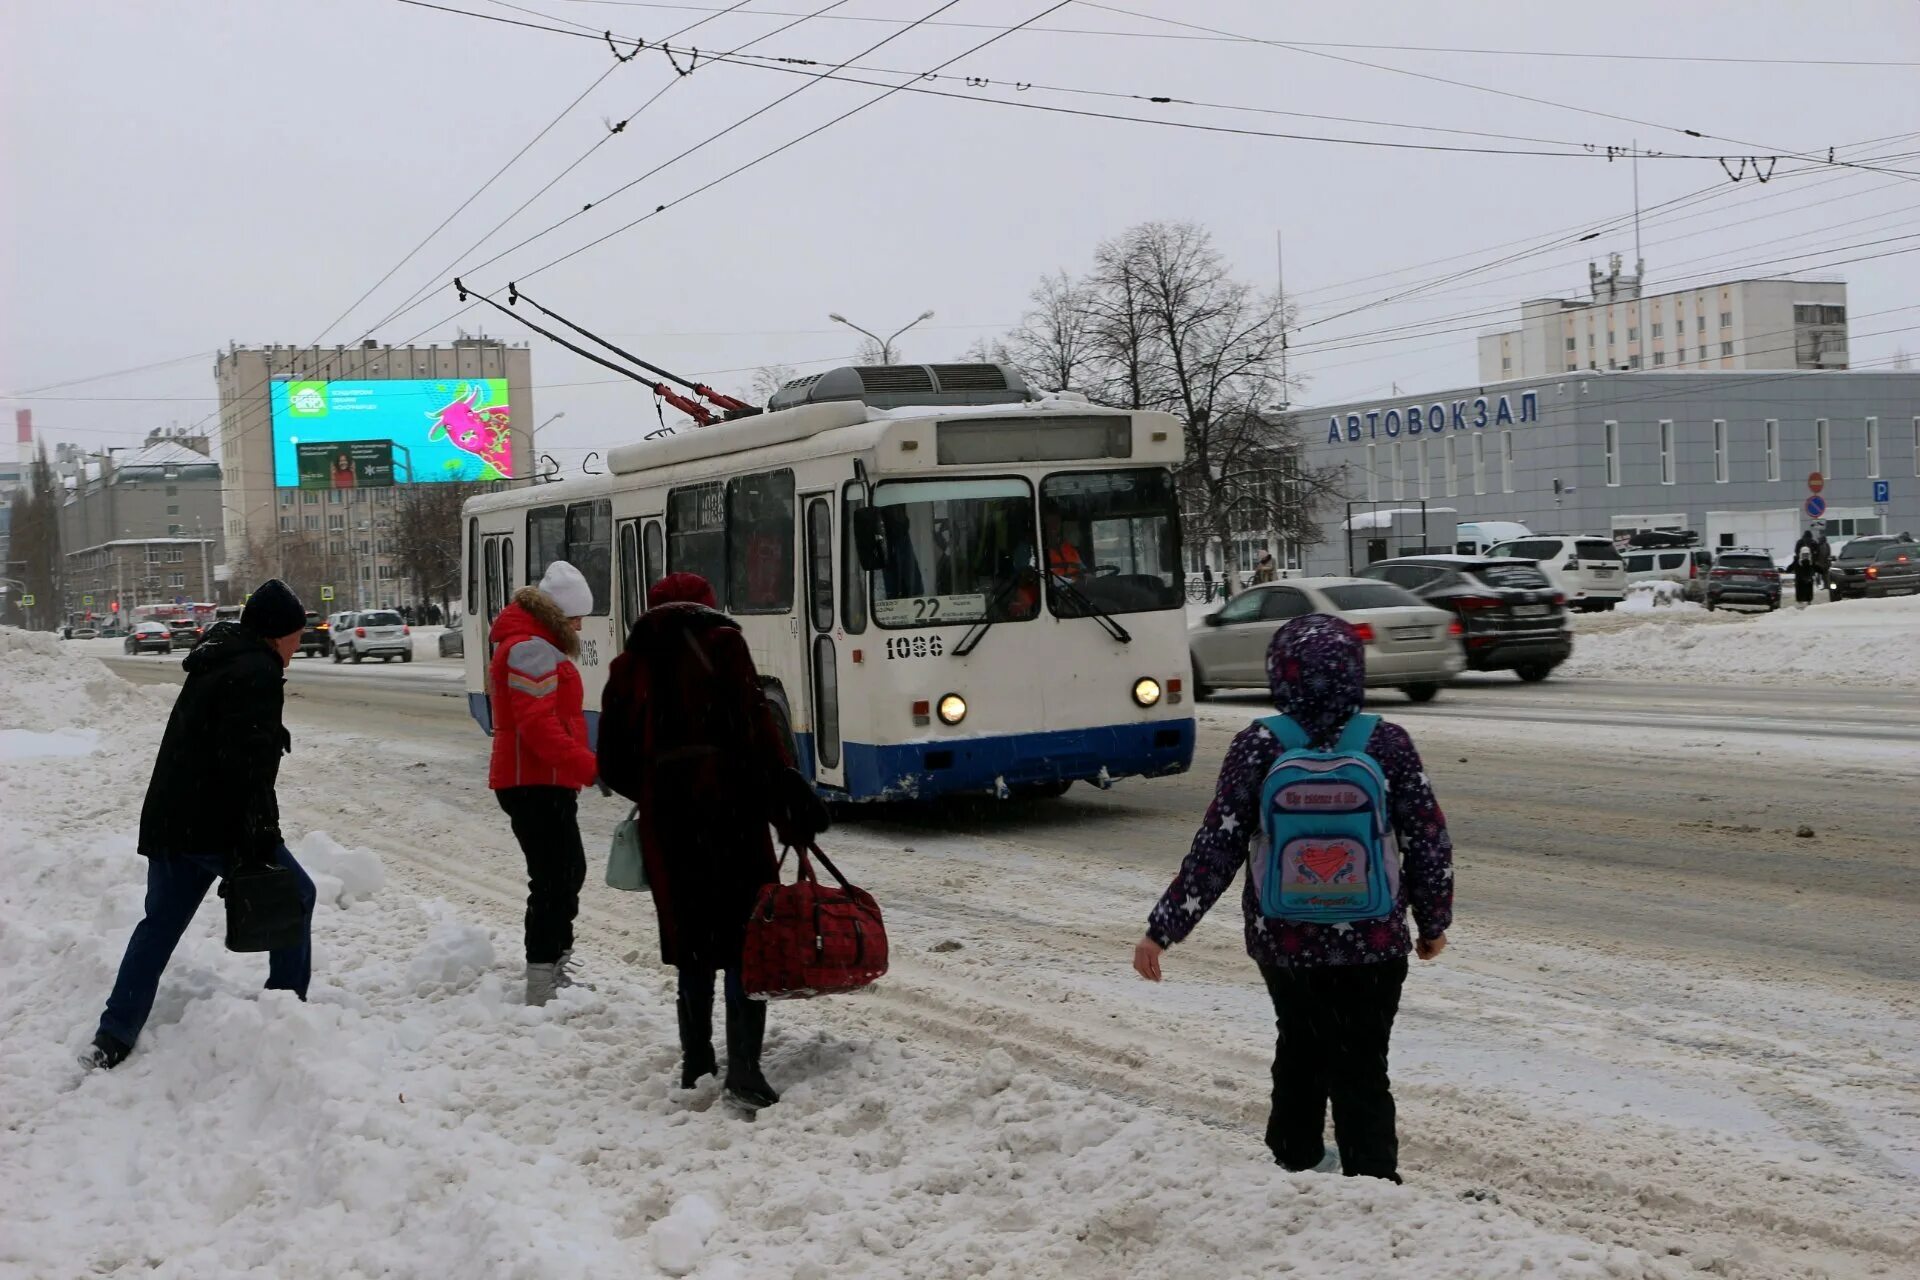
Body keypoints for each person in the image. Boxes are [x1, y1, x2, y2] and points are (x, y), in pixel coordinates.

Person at [1132, 614, 1453, 1182]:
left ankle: (1295, 1159)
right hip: (1374, 940)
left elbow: (1218, 844)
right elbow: (1427, 837)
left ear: (1280, 674)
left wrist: (1165, 927)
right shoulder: (1386, 743)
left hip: (1285, 940)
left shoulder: (1259, 743)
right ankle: (1375, 1178)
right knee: (1363, 1064)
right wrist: (1431, 924)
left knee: (1300, 1050)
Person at [596, 572, 821, 1110]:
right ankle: (745, 1069)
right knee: (749, 939)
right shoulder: (725, 646)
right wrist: (780, 800)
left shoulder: (628, 667)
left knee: (692, 944)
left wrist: (658, 788)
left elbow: (611, 762)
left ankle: (697, 1064)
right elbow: (756, 731)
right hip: (732, 814)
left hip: (669, 825)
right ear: (708, 605)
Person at [82, 579, 317, 1070]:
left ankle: (113, 1036)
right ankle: (285, 1011)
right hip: (217, 824)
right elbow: (244, 767)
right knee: (296, 893)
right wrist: (258, 840)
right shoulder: (257, 671)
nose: (301, 641)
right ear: (277, 633)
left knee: (158, 928)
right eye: (297, 632)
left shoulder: (221, 658)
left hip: (174, 821)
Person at [488, 561, 601, 1006]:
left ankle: (553, 966)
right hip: (531, 781)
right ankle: (542, 981)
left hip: (544, 780)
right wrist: (587, 766)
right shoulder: (530, 650)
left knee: (565, 873)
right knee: (556, 878)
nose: (579, 625)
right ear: (558, 614)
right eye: (575, 617)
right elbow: (538, 727)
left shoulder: (535, 645)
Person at [1792, 546, 1817, 610]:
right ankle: (1800, 603)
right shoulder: (1798, 562)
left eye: (1807, 554)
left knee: (1809, 591)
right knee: (1800, 592)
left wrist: (1810, 577)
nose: (1805, 556)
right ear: (1801, 554)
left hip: (1808, 580)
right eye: (1804, 554)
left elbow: (1813, 569)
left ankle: (1809, 602)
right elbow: (1795, 570)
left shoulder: (1810, 562)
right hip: (1800, 580)